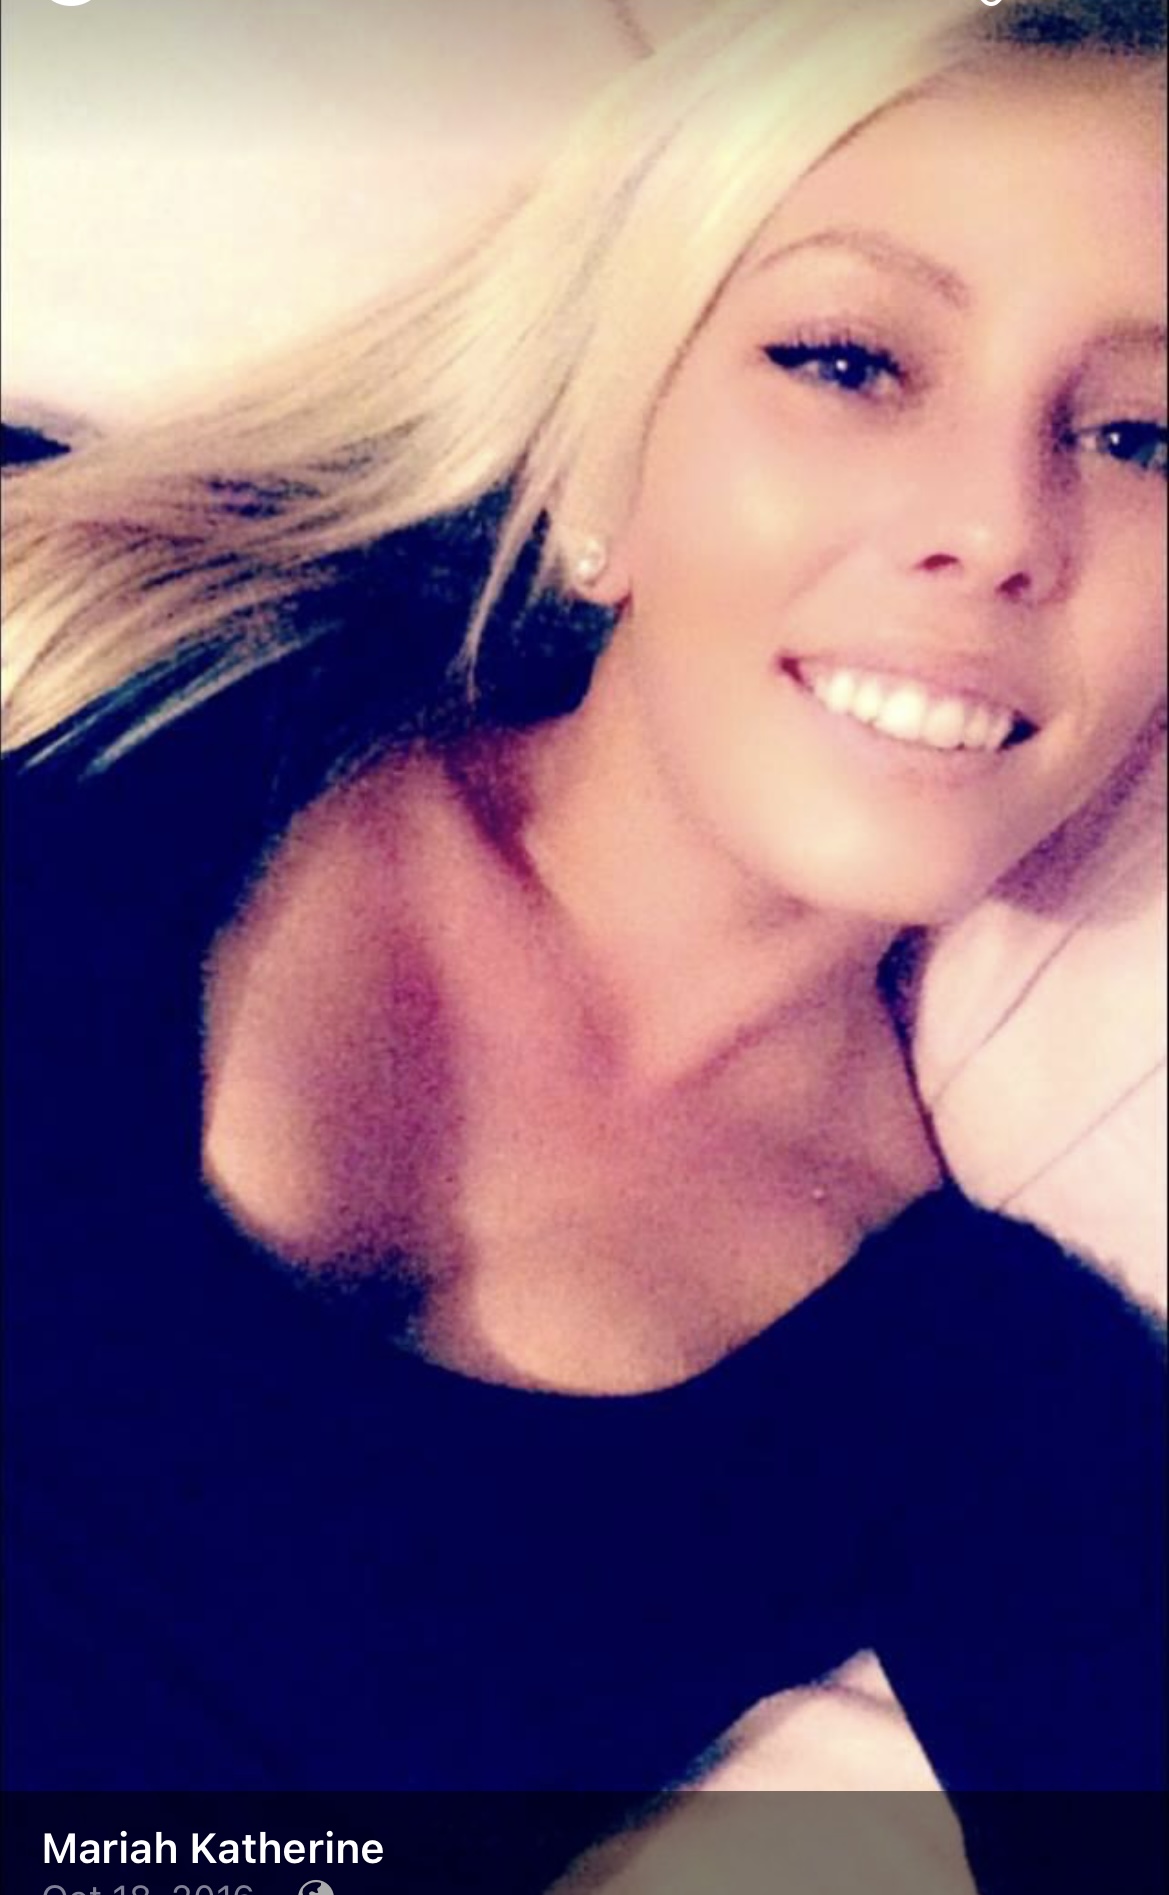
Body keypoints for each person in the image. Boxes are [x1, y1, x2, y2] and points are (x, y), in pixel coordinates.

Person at [3, 1, 1165, 1890]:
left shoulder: (985, 1407)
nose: (993, 528)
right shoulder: (117, 670)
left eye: (1139, 436)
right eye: (850, 360)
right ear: (605, 467)